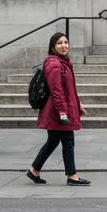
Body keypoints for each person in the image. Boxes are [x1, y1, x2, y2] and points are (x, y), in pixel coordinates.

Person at [26, 31, 90, 186]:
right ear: (53, 47)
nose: (64, 45)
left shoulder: (62, 62)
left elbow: (69, 89)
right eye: (59, 43)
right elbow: (57, 91)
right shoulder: (54, 64)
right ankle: (72, 176)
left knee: (53, 141)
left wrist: (78, 104)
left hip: (59, 109)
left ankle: (34, 170)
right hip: (57, 111)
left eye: (66, 42)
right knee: (68, 141)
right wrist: (63, 112)